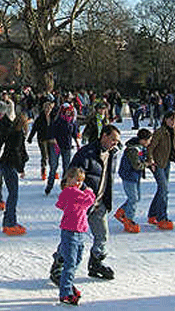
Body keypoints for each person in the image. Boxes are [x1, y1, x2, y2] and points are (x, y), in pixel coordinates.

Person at [50, 125, 121, 283]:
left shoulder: (112, 154)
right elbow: (73, 174)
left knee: (102, 235)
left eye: (117, 141)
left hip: (100, 201)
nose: (115, 144)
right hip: (82, 204)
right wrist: (82, 192)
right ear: (104, 136)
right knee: (72, 237)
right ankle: (58, 265)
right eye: (113, 140)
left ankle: (96, 263)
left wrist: (106, 198)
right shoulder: (86, 153)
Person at [53, 167, 95, 306]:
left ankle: (68, 284)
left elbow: (61, 204)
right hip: (71, 232)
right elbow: (88, 201)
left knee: (76, 260)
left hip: (80, 231)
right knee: (70, 263)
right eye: (76, 180)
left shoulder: (71, 192)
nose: (78, 183)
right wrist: (89, 190)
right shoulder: (71, 191)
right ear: (68, 179)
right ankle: (65, 292)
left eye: (80, 181)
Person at [114, 128, 153, 233]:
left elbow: (141, 160)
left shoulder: (140, 148)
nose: (149, 143)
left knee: (136, 197)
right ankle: (128, 220)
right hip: (129, 176)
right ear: (143, 140)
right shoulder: (133, 149)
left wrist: (148, 163)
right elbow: (137, 165)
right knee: (133, 198)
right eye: (149, 140)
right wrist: (147, 164)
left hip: (135, 176)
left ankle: (121, 212)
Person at [0, 113, 29, 235]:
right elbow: (16, 152)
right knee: (13, 194)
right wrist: (20, 168)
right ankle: (9, 223)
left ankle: (9, 221)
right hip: (9, 165)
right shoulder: (17, 134)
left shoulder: (13, 132)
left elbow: (19, 150)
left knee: (13, 194)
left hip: (6, 164)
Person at [45, 103, 80, 195]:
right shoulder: (57, 121)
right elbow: (50, 134)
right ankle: (49, 185)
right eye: (67, 112)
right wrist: (53, 141)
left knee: (67, 168)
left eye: (70, 112)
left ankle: (65, 188)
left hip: (67, 147)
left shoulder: (72, 122)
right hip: (56, 146)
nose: (68, 114)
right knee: (53, 167)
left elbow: (75, 134)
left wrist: (77, 143)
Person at [27, 101, 55, 180]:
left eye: (49, 108)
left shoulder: (53, 117)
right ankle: (43, 171)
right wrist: (30, 138)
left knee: (51, 156)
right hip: (42, 139)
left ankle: (53, 171)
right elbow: (34, 128)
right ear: (44, 108)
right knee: (44, 155)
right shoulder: (40, 118)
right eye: (46, 108)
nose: (48, 110)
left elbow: (57, 128)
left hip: (51, 139)